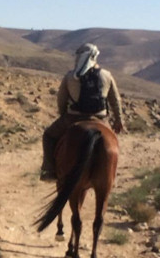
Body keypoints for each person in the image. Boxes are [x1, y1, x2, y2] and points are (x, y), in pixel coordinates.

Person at [40, 42, 124, 180]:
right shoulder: (107, 75)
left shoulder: (71, 76)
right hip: (100, 119)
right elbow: (115, 100)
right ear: (95, 57)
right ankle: (111, 175)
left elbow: (61, 99)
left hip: (73, 118)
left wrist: (63, 116)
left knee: (48, 136)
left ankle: (48, 170)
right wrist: (119, 120)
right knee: (113, 142)